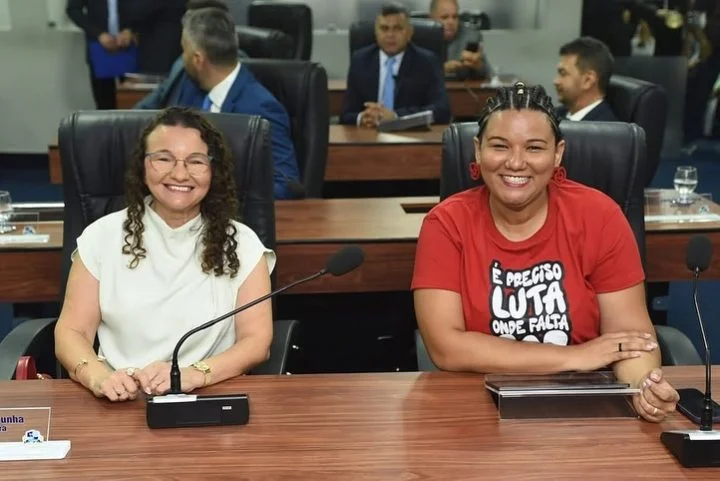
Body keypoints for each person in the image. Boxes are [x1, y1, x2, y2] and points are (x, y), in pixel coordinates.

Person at [412, 82, 679, 422]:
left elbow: (631, 338)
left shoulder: (600, 217)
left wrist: (643, 387)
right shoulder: (446, 224)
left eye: (534, 148)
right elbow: (446, 347)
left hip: (585, 409)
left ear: (557, 154)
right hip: (476, 410)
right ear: (477, 151)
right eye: (499, 146)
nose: (516, 162)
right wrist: (575, 357)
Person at [54, 107, 274, 401]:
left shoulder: (242, 244)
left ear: (213, 170)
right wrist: (97, 375)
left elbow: (256, 341)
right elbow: (72, 330)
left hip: (209, 395)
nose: (179, 174)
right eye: (163, 159)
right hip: (116, 399)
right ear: (142, 166)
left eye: (196, 161)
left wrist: (195, 374)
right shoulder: (101, 237)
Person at [135, 5, 299, 199]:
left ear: (197, 59)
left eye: (184, 50)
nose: (182, 58)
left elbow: (285, 184)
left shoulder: (261, 108)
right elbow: (140, 118)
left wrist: (219, 201)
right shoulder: (186, 80)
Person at [340, 2, 451, 127]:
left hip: (411, 135)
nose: (390, 35)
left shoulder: (427, 62)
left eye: (397, 28)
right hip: (369, 133)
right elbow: (346, 114)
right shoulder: (360, 61)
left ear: (409, 32)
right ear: (376, 32)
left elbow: (442, 110)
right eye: (384, 28)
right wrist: (362, 117)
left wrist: (396, 117)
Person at [66, 0, 142, 109]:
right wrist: (98, 34)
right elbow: (73, 9)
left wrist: (131, 30)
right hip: (99, 47)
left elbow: (147, 6)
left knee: (136, 103)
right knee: (104, 105)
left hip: (132, 47)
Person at [554, 37, 618, 122]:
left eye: (563, 73)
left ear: (588, 80)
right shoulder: (557, 114)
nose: (556, 81)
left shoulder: (604, 128)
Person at [429, 0, 491, 79]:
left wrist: (479, 66)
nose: (451, 22)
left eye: (455, 17)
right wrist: (442, 69)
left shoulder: (471, 36)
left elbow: (490, 75)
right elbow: (415, 74)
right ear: (431, 19)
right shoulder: (420, 37)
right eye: (445, 17)